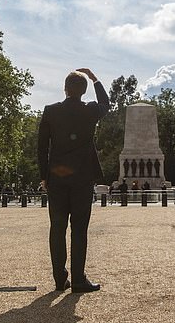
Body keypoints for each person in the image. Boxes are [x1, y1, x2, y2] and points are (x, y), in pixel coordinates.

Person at [38, 68, 111, 293]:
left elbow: (42, 148)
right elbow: (106, 103)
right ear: (84, 91)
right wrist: (95, 78)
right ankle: (78, 280)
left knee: (57, 228)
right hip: (82, 177)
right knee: (79, 229)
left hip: (57, 177)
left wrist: (44, 176)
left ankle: (60, 279)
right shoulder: (90, 111)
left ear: (65, 89)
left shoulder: (50, 111)